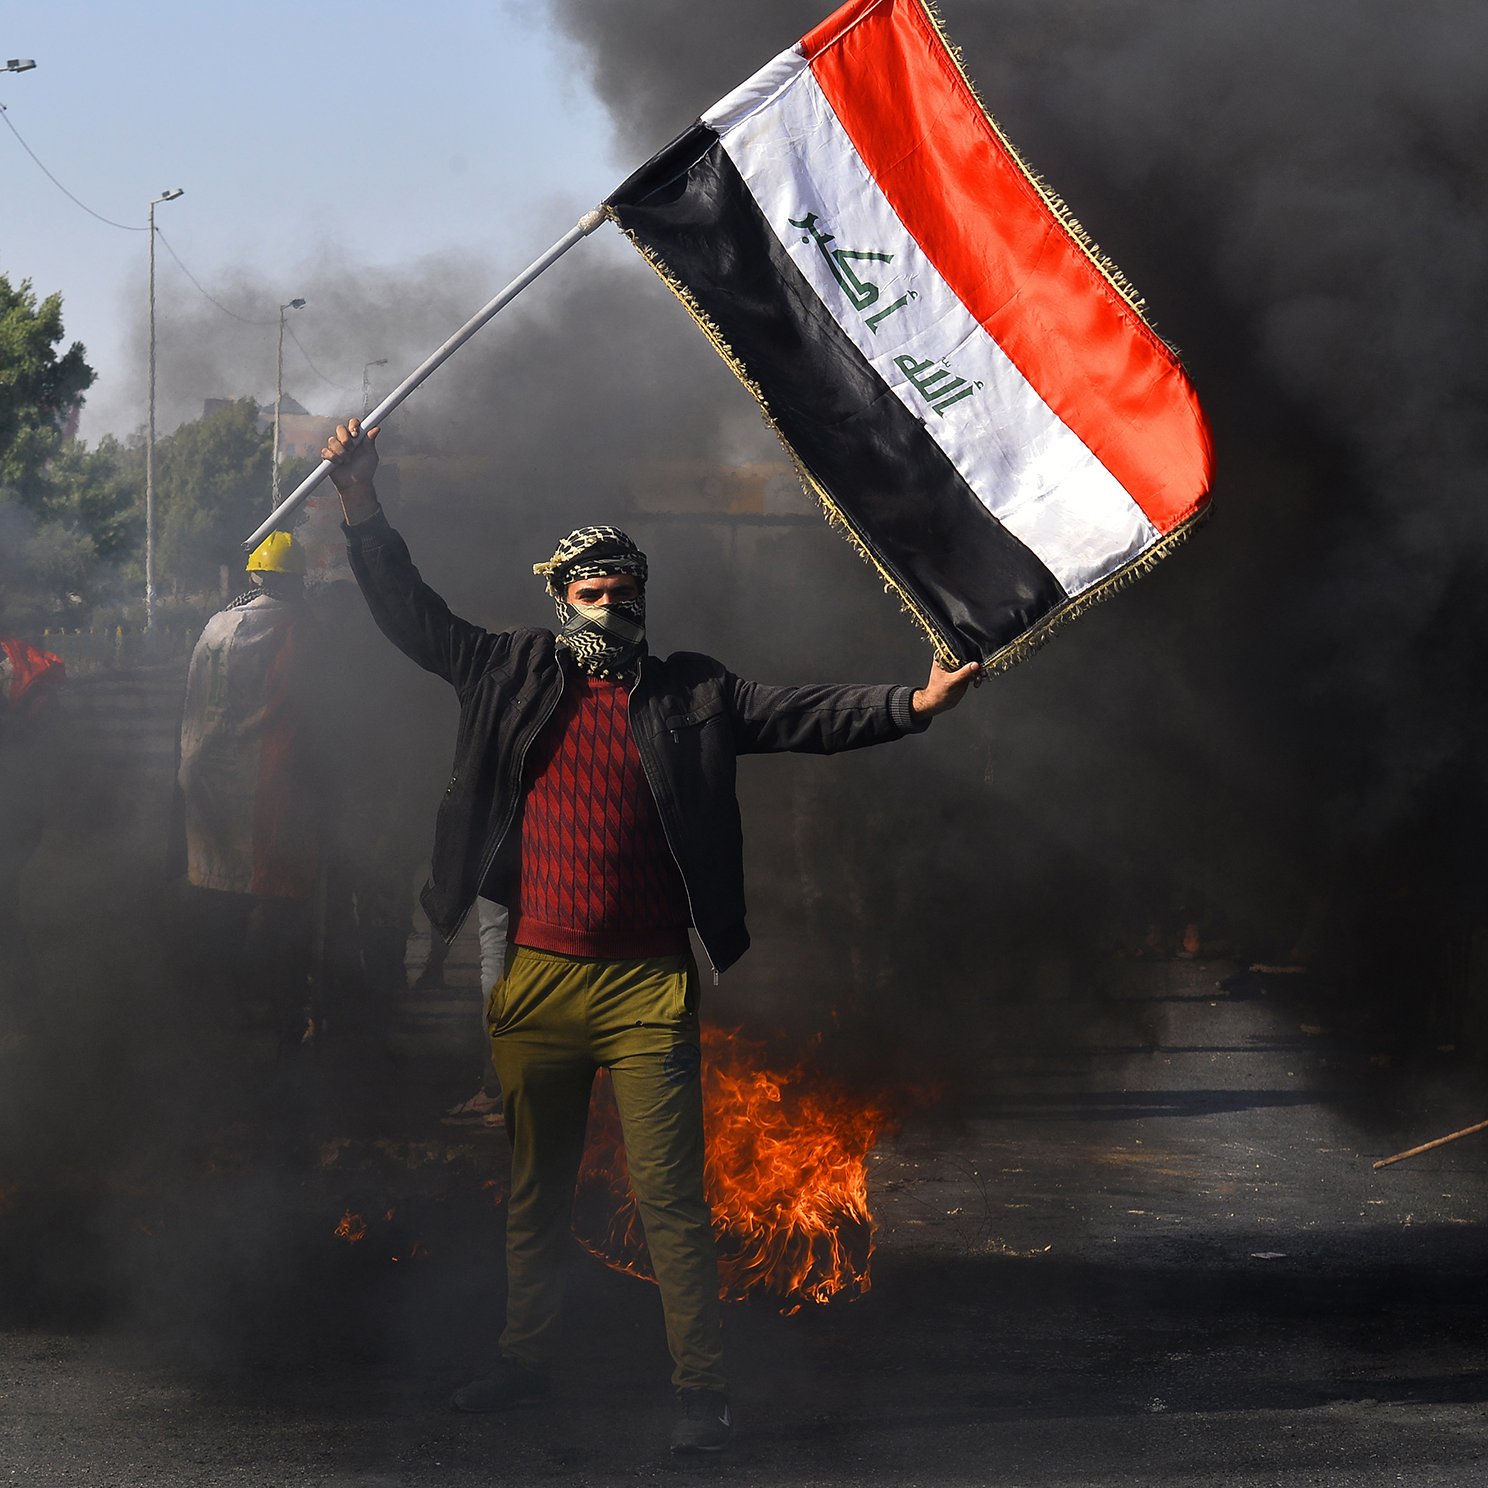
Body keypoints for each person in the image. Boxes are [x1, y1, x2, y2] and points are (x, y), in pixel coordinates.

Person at [322, 416, 978, 1454]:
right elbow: (412, 614)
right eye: (593, 589)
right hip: (536, 979)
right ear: (560, 598)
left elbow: (805, 712)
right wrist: (360, 503)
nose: (613, 603)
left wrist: (915, 702)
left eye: (627, 591)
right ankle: (525, 1361)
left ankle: (700, 1393)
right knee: (535, 1190)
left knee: (672, 1199)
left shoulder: (694, 694)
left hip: (646, 991)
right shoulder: (505, 671)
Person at [177, 531, 322, 1057]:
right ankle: (285, 1021)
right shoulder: (299, 629)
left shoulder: (215, 626)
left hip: (208, 782)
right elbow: (318, 708)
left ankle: (215, 1018)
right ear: (294, 578)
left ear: (254, 575)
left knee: (221, 901)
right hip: (272, 787)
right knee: (283, 904)